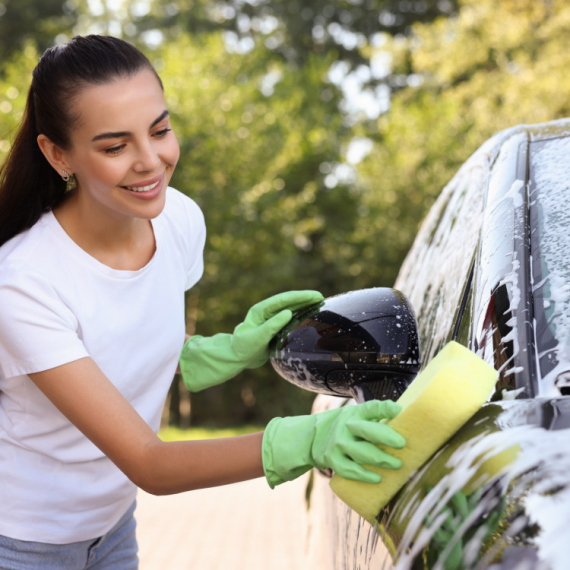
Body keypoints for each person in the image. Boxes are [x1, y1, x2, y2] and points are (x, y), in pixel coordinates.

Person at [0, 35, 406, 569]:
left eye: (161, 130)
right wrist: (306, 440)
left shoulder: (178, 221)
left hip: (113, 528)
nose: (151, 162)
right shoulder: (24, 281)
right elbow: (151, 463)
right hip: (23, 542)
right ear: (57, 154)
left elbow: (123, 343)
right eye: (115, 146)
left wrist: (223, 351)